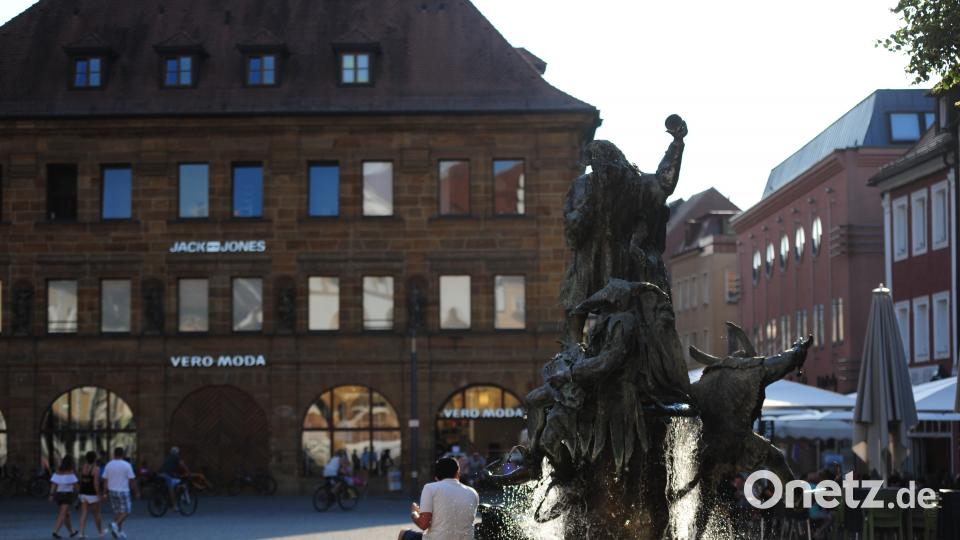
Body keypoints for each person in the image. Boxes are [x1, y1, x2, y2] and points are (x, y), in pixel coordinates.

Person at [399, 457, 479, 540]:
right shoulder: (472, 492)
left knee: (403, 533)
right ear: (457, 473)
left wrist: (414, 513)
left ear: (436, 476)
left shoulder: (430, 488)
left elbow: (423, 525)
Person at [102, 447, 139, 539]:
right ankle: (115, 525)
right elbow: (132, 480)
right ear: (123, 455)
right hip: (123, 491)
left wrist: (104, 493)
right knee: (126, 511)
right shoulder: (127, 465)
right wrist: (136, 492)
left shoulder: (108, 465)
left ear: (114, 454)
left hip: (112, 491)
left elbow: (105, 480)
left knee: (118, 512)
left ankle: (119, 532)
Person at [49, 455, 79, 539]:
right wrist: (80, 494)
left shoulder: (57, 472)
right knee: (62, 514)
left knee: (67, 514)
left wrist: (51, 494)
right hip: (67, 495)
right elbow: (76, 486)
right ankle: (55, 531)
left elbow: (54, 484)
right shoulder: (71, 473)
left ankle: (72, 532)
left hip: (58, 495)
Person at [78, 451, 105, 538]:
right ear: (95, 459)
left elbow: (81, 479)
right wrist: (99, 494)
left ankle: (81, 533)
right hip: (92, 494)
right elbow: (96, 483)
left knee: (84, 513)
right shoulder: (96, 469)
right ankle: (100, 532)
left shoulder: (83, 467)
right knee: (96, 514)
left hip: (83, 492)